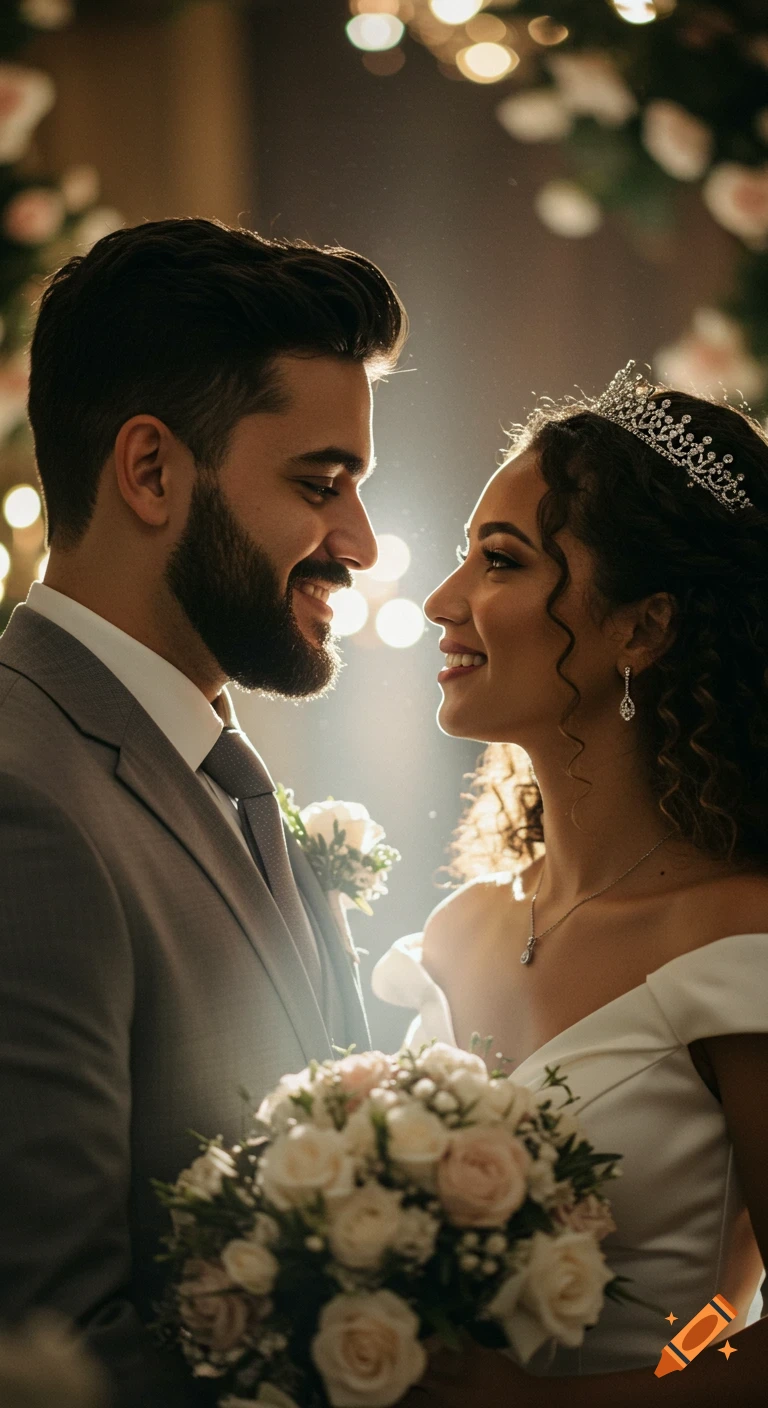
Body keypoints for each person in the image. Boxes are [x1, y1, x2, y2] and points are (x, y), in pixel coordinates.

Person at [0, 217, 406, 1407]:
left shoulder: (211, 770)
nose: (358, 543)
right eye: (320, 484)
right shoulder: (23, 801)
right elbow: (55, 1344)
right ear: (151, 471)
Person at [374, 366, 768, 1406]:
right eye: (465, 553)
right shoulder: (461, 926)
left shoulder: (740, 947)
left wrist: (547, 1403)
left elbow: (733, 1323)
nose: (442, 601)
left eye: (501, 560)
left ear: (642, 628)